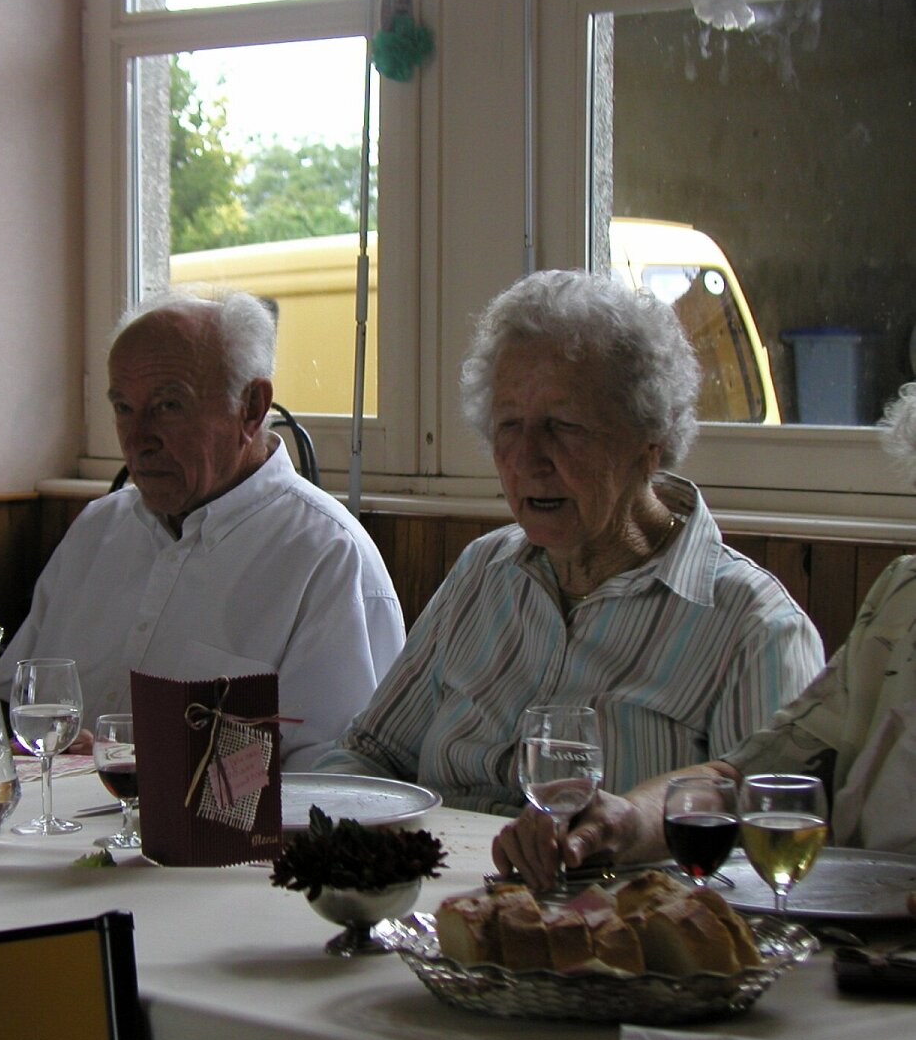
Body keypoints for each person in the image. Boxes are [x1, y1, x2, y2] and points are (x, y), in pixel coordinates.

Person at [314, 269, 824, 812]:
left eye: (565, 425)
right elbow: (372, 754)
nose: (528, 459)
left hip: (611, 870)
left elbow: (766, 837)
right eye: (509, 424)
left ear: (649, 440)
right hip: (441, 863)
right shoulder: (484, 572)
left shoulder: (755, 629)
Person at [494, 381, 916, 884]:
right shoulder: (903, 597)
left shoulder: (757, 617)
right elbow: (748, 774)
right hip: (858, 921)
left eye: (566, 426)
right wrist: (627, 820)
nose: (529, 456)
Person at [0, 289, 405, 768]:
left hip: (216, 824)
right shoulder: (98, 530)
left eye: (169, 406)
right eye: (123, 407)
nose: (138, 439)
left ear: (251, 407)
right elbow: (14, 704)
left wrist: (147, 768)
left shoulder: (329, 557)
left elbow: (342, 782)